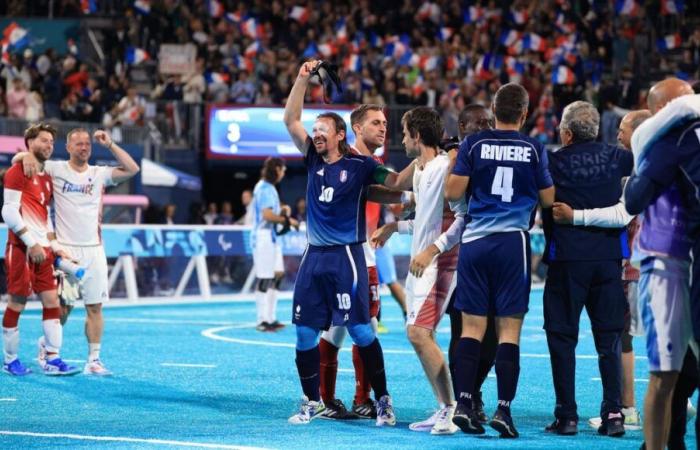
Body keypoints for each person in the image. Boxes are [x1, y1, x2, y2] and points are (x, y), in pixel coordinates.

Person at [283, 60, 411, 426]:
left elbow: (396, 183)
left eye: (323, 129)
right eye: (315, 130)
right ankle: (311, 401)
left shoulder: (361, 166)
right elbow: (291, 121)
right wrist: (302, 78)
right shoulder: (312, 160)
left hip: (348, 258)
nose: (315, 134)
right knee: (305, 333)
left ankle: (382, 400)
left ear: (341, 134)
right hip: (313, 259)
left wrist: (428, 164)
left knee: (359, 330)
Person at [446, 83, 555, 438]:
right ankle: (503, 411)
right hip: (512, 245)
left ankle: (463, 402)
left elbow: (453, 192)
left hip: (475, 244)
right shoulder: (534, 148)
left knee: (471, 329)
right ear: (525, 114)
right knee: (509, 332)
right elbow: (549, 199)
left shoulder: (473, 144)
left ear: (493, 111)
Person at [552, 109, 651, 431]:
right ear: (596, 130)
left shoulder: (554, 161)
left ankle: (566, 416)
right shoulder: (621, 159)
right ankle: (614, 414)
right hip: (609, 259)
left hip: (566, 259)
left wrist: (574, 215)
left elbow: (542, 203)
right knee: (610, 339)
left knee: (562, 339)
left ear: (567, 133)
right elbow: (629, 208)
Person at [371, 106, 466, 435]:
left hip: (440, 262)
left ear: (418, 135)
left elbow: (460, 220)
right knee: (423, 336)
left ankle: (451, 409)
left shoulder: (445, 166)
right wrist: (394, 226)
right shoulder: (422, 168)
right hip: (422, 262)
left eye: (405, 131)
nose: (401, 138)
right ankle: (444, 407)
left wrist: (431, 250)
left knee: (417, 333)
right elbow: (419, 212)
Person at [17, 128, 141, 376]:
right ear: (69, 147)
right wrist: (27, 156)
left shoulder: (99, 174)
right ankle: (47, 346)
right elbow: (16, 160)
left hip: (94, 250)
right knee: (63, 309)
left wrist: (111, 145)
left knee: (95, 307)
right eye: (79, 144)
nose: (84, 147)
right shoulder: (55, 169)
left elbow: (132, 169)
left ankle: (94, 360)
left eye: (87, 144)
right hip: (66, 252)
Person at [623, 78, 698, 450]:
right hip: (666, 261)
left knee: (683, 375)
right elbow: (634, 199)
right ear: (660, 109)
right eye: (683, 100)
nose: (692, 103)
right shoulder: (654, 143)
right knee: (664, 375)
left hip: (692, 258)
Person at [317, 104, 391, 420]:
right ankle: (335, 399)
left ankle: (351, 399)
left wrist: (401, 218)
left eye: (385, 122)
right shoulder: (343, 161)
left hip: (365, 259)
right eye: (376, 122)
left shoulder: (372, 164)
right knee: (345, 329)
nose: (383, 127)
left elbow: (388, 197)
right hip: (342, 260)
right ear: (357, 128)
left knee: (357, 329)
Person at [2, 123, 78, 376]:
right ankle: (10, 360)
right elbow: (8, 210)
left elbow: (44, 218)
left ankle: (52, 359)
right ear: (30, 142)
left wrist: (55, 246)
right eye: (43, 140)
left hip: (44, 251)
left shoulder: (46, 178)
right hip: (21, 248)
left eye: (51, 142)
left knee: (51, 301)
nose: (48, 145)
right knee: (17, 304)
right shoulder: (17, 170)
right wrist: (30, 242)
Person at [446, 104, 498, 424]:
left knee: (491, 336)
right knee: (461, 331)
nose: (484, 127)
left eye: (488, 122)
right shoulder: (455, 154)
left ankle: (473, 392)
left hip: (492, 252)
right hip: (459, 254)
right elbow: (447, 197)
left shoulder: (497, 153)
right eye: (478, 123)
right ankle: (463, 398)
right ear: (463, 126)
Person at [251, 157, 297, 332]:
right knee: (265, 277)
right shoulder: (264, 188)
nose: (283, 174)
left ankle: (270, 317)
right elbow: (267, 215)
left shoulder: (268, 188)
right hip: (263, 238)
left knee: (277, 276)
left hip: (271, 238)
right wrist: (288, 220)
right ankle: (262, 320)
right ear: (277, 169)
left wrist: (283, 210)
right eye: (283, 170)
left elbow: (272, 212)